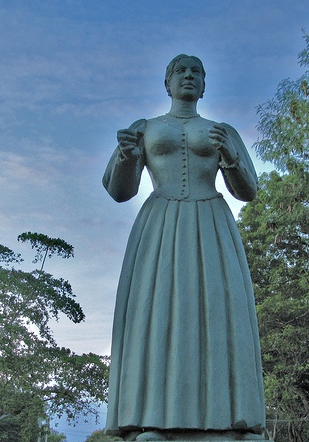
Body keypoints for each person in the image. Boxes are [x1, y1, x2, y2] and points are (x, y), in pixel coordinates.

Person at [103, 54, 266, 441]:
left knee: (216, 315)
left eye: (197, 72)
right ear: (168, 83)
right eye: (181, 71)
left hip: (211, 224)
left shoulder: (221, 130)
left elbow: (250, 191)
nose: (189, 76)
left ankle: (229, 421)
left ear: (205, 85)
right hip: (159, 226)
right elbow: (118, 191)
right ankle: (153, 419)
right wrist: (128, 157)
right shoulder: (145, 128)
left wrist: (230, 155)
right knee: (157, 315)